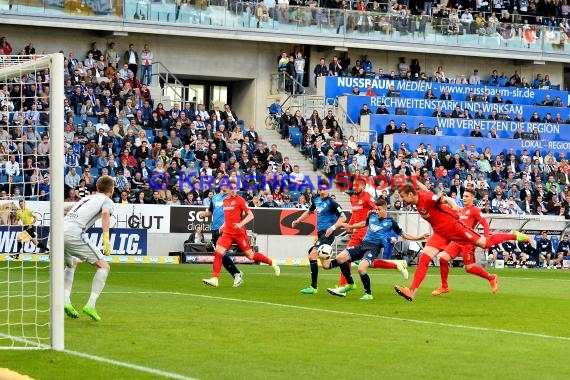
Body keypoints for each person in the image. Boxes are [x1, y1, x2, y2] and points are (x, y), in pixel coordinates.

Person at [394, 181, 530, 301]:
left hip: (456, 229)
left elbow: (446, 199)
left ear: (411, 195)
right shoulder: (419, 197)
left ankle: (514, 235)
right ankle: (412, 291)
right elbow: (424, 189)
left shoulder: (429, 199)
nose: (403, 200)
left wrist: (453, 205)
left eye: (403, 197)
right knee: (425, 259)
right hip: (441, 233)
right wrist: (415, 180)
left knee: (484, 244)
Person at [323, 199, 428, 300]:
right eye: (376, 209)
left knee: (361, 268)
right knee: (341, 258)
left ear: (385, 209)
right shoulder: (372, 215)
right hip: (362, 245)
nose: (377, 212)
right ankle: (350, 284)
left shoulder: (391, 222)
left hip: (374, 248)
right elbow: (364, 223)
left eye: (379, 210)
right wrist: (351, 226)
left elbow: (404, 235)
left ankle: (368, 294)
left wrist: (419, 237)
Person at [202, 179, 280, 287]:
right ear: (227, 189)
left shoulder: (240, 200)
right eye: (231, 188)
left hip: (239, 233)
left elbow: (251, 215)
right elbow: (229, 217)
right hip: (227, 234)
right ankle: (215, 279)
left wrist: (240, 224)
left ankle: (272, 263)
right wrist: (223, 225)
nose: (233, 190)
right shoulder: (225, 201)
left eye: (235, 188)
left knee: (250, 255)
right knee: (218, 253)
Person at [337, 177, 408, 288]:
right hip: (356, 234)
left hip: (369, 234)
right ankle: (344, 285)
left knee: (370, 263)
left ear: (363, 186)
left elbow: (378, 209)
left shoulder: (367, 197)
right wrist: (350, 226)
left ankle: (396, 265)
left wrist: (381, 223)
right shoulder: (353, 198)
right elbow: (354, 214)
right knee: (346, 258)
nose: (354, 187)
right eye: (354, 185)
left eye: (356, 185)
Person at [62, 176, 115, 321]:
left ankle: (65, 300)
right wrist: (106, 239)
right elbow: (105, 213)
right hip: (74, 234)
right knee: (104, 267)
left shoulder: (86, 199)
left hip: (57, 232)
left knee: (71, 264)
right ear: (112, 189)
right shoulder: (107, 200)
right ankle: (90, 305)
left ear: (97, 188)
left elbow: (63, 209)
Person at [431, 188, 499, 296]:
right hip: (457, 241)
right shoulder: (461, 209)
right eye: (463, 196)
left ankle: (491, 277)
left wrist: (485, 240)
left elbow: (485, 224)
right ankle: (444, 286)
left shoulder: (475, 210)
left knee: (469, 268)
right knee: (443, 259)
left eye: (467, 196)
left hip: (468, 243)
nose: (464, 198)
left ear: (473, 198)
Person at [292, 178, 347, 294]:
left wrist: (332, 228)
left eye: (324, 189)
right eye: (320, 189)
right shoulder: (316, 200)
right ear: (318, 189)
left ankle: (313, 287)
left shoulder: (332, 203)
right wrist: (298, 220)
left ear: (328, 189)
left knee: (312, 255)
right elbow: (309, 212)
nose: (322, 191)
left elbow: (343, 217)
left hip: (328, 234)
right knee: (326, 265)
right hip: (320, 234)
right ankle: (343, 260)